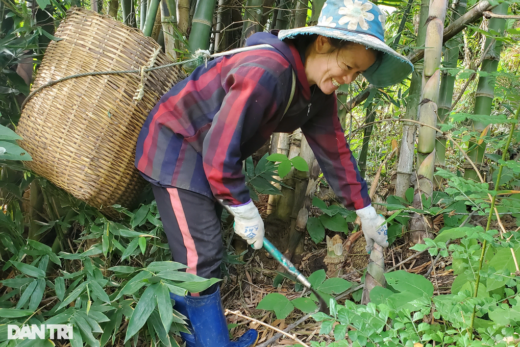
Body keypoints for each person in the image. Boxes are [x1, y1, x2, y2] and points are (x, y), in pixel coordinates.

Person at [134, 0, 413, 345]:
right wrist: (243, 207)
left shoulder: (318, 93)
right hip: (176, 146)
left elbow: (334, 148)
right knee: (200, 255)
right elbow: (220, 148)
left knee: (203, 251)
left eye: (357, 74)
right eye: (347, 66)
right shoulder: (268, 71)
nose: (348, 79)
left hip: (207, 154)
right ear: (322, 42)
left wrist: (363, 207)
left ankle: (195, 330)